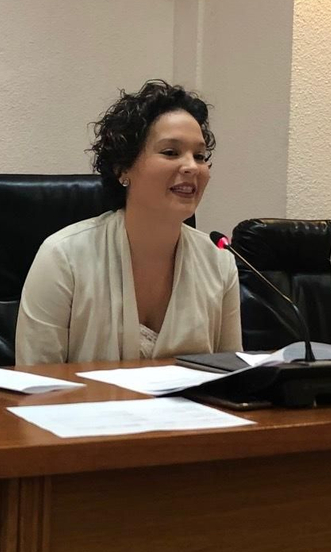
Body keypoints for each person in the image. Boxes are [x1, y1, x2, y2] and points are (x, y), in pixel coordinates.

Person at [15, 80, 241, 364]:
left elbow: (233, 381)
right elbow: (37, 386)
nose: (192, 167)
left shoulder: (219, 263)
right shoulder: (63, 257)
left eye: (199, 156)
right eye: (171, 152)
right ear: (123, 168)